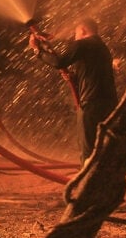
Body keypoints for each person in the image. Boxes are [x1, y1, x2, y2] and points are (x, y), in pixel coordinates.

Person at [30, 17, 119, 164]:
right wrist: (73, 77)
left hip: (91, 104)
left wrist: (37, 51)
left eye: (75, 32)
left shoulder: (83, 44)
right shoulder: (102, 47)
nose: (74, 36)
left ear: (83, 30)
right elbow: (93, 73)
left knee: (89, 150)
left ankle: (87, 182)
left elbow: (59, 62)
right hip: (109, 104)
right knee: (103, 147)